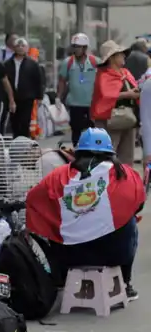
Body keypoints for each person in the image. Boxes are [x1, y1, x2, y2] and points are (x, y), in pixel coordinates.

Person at [26, 128, 144, 300]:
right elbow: (139, 205)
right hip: (114, 254)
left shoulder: (57, 176)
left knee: (51, 218)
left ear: (78, 151)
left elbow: (33, 200)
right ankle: (126, 283)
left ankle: (62, 277)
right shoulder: (124, 174)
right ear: (110, 152)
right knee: (129, 219)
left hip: (70, 256)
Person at [91, 40, 139, 165]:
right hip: (110, 120)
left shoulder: (126, 73)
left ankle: (125, 181)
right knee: (108, 155)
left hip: (129, 119)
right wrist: (128, 94)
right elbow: (106, 96)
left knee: (127, 156)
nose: (123, 56)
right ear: (112, 58)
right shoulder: (103, 75)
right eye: (120, 54)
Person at [57, 33, 99, 146]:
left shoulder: (95, 62)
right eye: (74, 46)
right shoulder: (68, 62)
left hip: (92, 103)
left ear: (85, 48)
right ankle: (77, 152)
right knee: (76, 130)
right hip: (75, 103)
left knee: (93, 131)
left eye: (78, 47)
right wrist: (58, 97)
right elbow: (62, 80)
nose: (75, 49)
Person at [4, 38, 44, 138]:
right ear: (14, 48)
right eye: (18, 46)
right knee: (14, 123)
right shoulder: (7, 64)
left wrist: (39, 96)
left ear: (27, 48)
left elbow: (38, 81)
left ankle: (24, 144)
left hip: (27, 98)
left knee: (25, 122)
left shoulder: (32, 64)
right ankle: (16, 144)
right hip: (13, 98)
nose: (20, 48)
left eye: (23, 46)